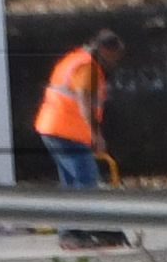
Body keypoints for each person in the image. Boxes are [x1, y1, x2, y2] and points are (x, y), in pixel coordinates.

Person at [34, 35, 112, 191]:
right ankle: (87, 215)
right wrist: (96, 134)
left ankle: (70, 214)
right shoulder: (87, 67)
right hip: (67, 133)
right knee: (87, 183)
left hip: (52, 128)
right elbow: (84, 99)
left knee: (71, 186)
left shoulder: (73, 59)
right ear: (104, 50)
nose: (114, 60)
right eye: (113, 54)